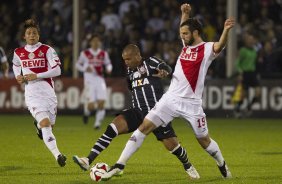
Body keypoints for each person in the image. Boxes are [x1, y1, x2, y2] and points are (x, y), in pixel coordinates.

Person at [102, 3, 235, 180]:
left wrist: (226, 30)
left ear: (195, 33)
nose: (182, 37)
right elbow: (184, 27)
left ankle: (221, 163)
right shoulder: (186, 44)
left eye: (185, 34)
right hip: (170, 99)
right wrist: (184, 14)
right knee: (143, 128)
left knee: (204, 141)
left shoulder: (206, 49)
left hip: (191, 104)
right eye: (181, 34)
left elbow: (219, 46)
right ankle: (119, 165)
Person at [73, 44, 200, 179]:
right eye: (124, 60)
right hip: (137, 111)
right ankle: (88, 160)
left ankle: (188, 165)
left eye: (128, 59)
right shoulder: (129, 71)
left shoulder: (151, 62)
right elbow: (130, 86)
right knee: (112, 128)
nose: (126, 62)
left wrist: (164, 71)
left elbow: (166, 68)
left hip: (157, 113)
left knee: (173, 146)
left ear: (137, 56)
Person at [12, 19, 66, 167]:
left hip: (49, 93)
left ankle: (39, 127)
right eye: (28, 33)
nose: (31, 35)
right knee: (46, 124)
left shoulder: (47, 50)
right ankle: (58, 155)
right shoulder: (19, 52)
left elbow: (57, 70)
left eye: (34, 33)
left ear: (38, 35)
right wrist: (18, 76)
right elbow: (16, 64)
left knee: (48, 128)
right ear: (24, 36)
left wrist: (37, 75)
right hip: (32, 95)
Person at [76, 34, 112, 129]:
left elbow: (108, 63)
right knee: (91, 106)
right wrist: (84, 68)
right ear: (90, 42)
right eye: (94, 41)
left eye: (97, 41)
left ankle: (97, 124)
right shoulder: (85, 53)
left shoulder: (103, 54)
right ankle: (86, 112)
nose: (96, 43)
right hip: (89, 81)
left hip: (100, 80)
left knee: (101, 103)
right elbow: (77, 65)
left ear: (100, 43)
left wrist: (109, 68)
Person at [234, 33, 261, 117]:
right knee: (244, 95)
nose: (251, 41)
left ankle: (249, 107)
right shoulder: (243, 50)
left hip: (252, 73)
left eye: (252, 39)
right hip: (245, 73)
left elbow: (254, 63)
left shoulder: (254, 51)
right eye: (249, 39)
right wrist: (240, 72)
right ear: (246, 41)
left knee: (258, 92)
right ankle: (237, 109)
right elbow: (238, 63)